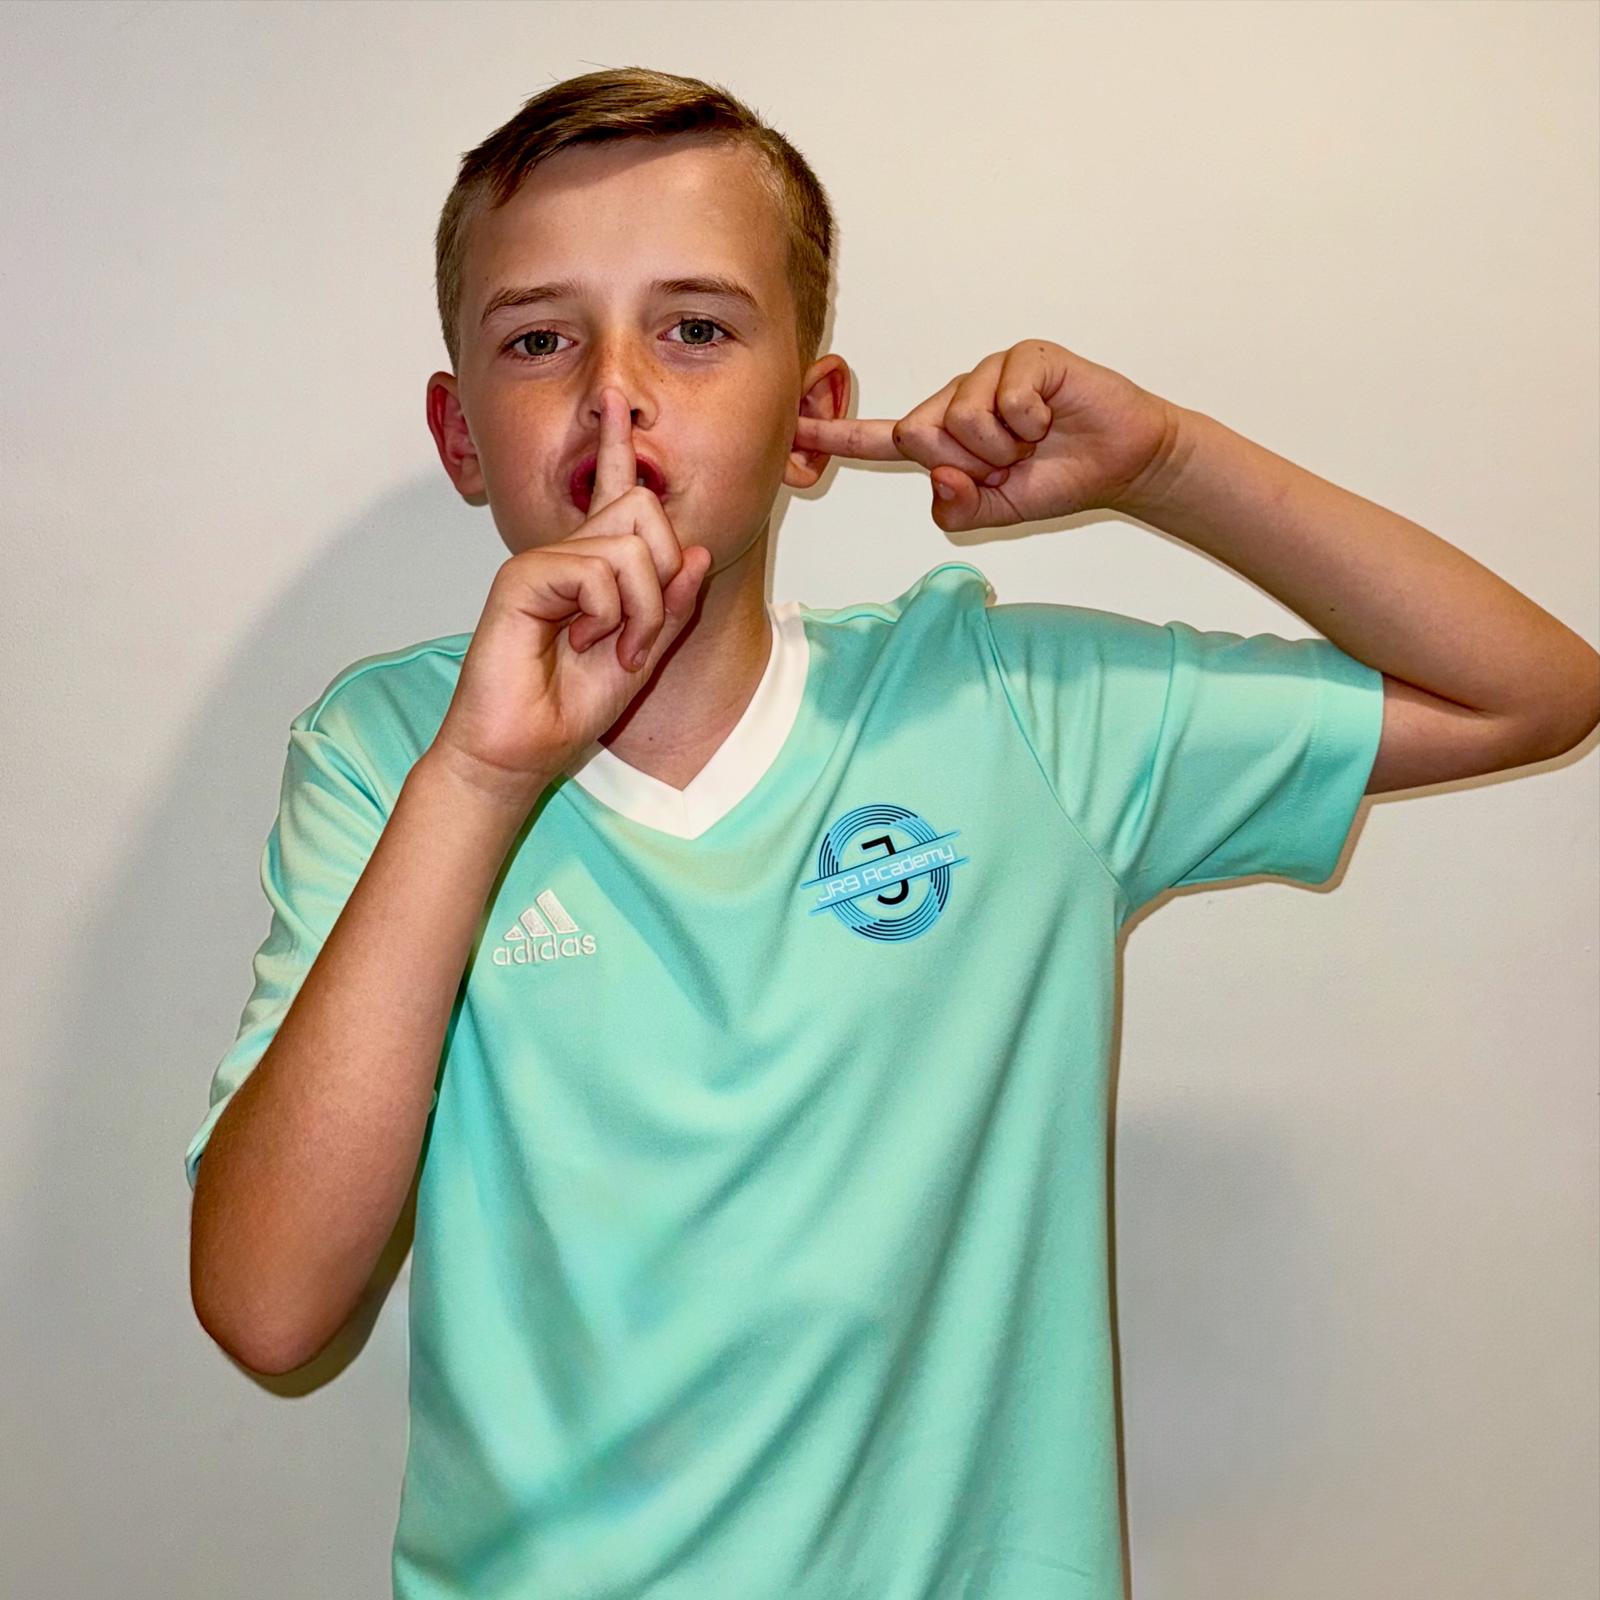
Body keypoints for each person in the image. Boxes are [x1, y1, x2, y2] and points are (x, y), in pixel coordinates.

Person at [183, 66, 1600, 1600]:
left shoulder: (1001, 712)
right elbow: (270, 1310)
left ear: (814, 421)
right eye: (541, 339)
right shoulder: (392, 752)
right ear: (462, 436)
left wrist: (1165, 467)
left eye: (695, 328)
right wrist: (475, 781)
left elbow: (1532, 693)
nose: (615, 393)